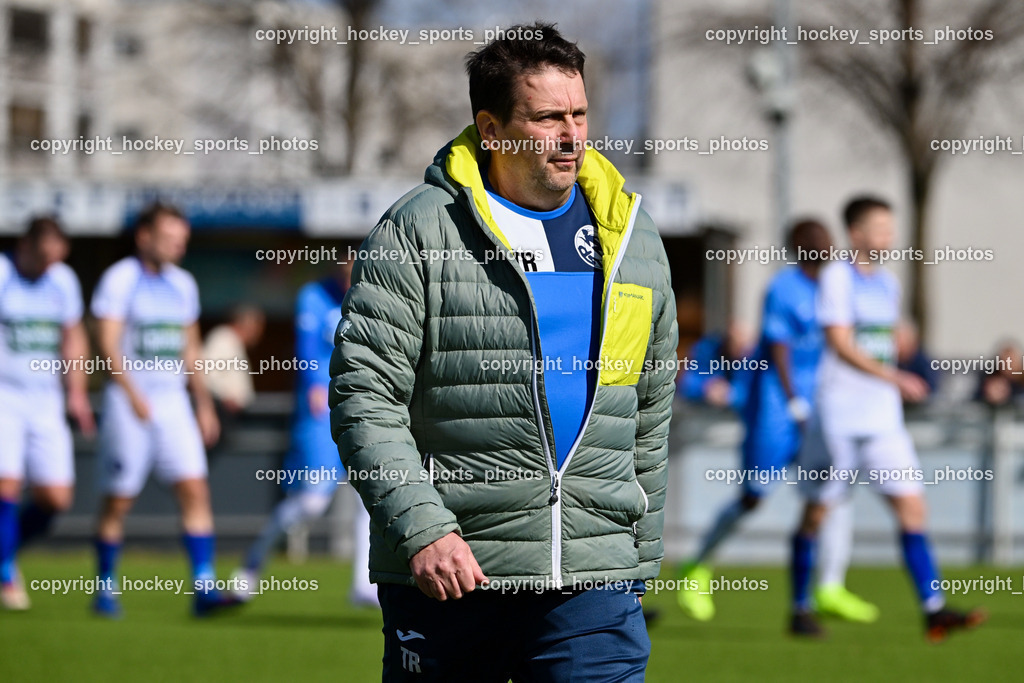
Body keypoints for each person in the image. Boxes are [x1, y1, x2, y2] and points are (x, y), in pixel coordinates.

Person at [331, 23, 677, 681]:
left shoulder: (632, 237)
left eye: (579, 114)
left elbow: (649, 411)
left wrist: (638, 560)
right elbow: (365, 397)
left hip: (593, 574)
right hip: (452, 572)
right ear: (492, 130)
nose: (572, 135)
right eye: (547, 118)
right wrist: (424, 529)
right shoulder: (419, 229)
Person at [789, 196, 985, 641]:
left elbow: (888, 342)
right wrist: (895, 375)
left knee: (913, 506)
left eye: (890, 227)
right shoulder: (837, 277)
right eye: (879, 227)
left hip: (882, 419)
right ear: (856, 233)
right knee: (818, 512)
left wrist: (906, 369)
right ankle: (798, 606)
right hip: (839, 415)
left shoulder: (889, 284)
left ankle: (933, 608)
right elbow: (839, 342)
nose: (888, 236)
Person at [677, 220, 877, 624]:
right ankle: (696, 570)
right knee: (754, 497)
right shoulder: (783, 289)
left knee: (831, 492)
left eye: (827, 239)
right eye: (815, 241)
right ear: (798, 247)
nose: (825, 246)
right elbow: (779, 349)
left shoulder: (838, 285)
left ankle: (828, 587)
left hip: (822, 406)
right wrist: (794, 404)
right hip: (774, 408)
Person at [89, 202, 238, 618]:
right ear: (144, 236)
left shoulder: (183, 284)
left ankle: (204, 587)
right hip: (130, 403)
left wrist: (203, 404)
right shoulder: (120, 280)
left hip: (173, 402)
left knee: (194, 489)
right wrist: (132, 393)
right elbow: (107, 343)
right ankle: (105, 587)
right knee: (118, 499)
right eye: (170, 238)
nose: (178, 246)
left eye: (182, 240)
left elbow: (190, 349)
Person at [233, 261, 377, 607]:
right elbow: (307, 350)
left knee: (370, 500)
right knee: (312, 503)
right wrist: (315, 386)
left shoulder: (374, 294)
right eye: (346, 267)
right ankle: (253, 563)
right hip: (321, 412)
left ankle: (362, 586)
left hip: (366, 409)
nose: (350, 274)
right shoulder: (313, 296)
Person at [0, 216, 95, 611]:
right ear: (27, 245)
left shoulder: (63, 280)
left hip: (46, 401)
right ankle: (6, 572)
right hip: (6, 394)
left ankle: (5, 550)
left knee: (56, 497)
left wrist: (77, 393)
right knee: (6, 485)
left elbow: (72, 336)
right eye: (43, 256)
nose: (48, 266)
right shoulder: (3, 272)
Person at [202, 304, 265, 415]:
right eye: (256, 326)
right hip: (220, 411)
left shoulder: (235, 342)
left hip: (232, 413)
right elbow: (206, 373)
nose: (258, 332)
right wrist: (227, 396)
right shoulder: (222, 339)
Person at [678, 321, 753, 410]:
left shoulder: (752, 360)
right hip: (702, 412)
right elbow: (686, 382)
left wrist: (730, 394)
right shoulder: (707, 350)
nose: (741, 351)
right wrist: (706, 388)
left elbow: (754, 392)